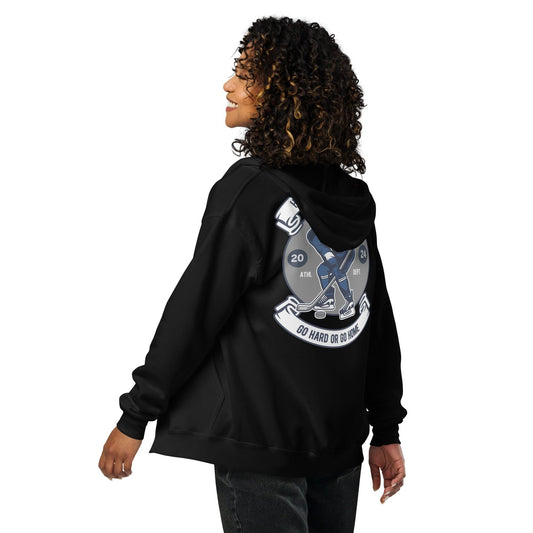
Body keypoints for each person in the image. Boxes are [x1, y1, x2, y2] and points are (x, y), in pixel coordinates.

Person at [99, 16, 408, 533]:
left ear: (285, 92)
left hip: (261, 446)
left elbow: (195, 311)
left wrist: (135, 416)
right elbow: (374, 323)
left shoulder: (251, 192)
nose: (230, 85)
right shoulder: (352, 199)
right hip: (338, 444)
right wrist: (384, 427)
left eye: (248, 75)